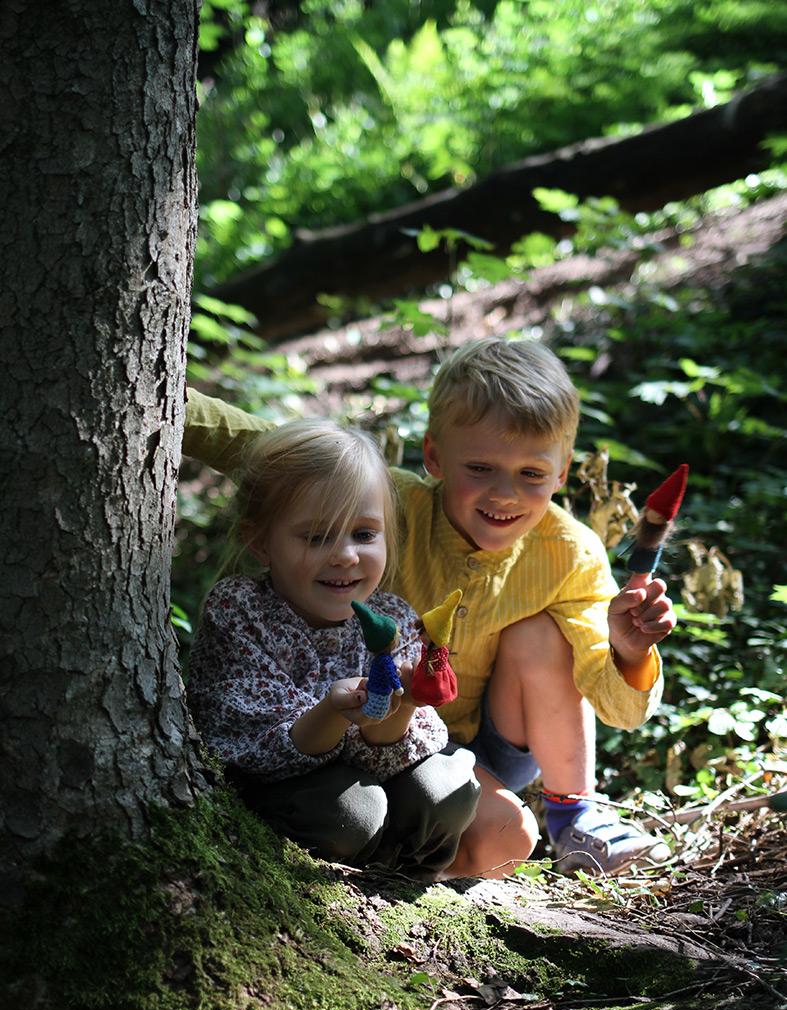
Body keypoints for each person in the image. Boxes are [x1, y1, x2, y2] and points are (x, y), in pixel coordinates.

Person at [182, 337, 676, 878]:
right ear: (435, 457)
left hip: (489, 737)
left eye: (531, 474)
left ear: (561, 475)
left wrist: (628, 653)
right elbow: (269, 452)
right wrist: (160, 398)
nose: (505, 493)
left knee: (536, 648)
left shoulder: (571, 553)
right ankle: (383, 859)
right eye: (481, 468)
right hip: (384, 728)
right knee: (497, 837)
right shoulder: (386, 502)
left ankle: (576, 811)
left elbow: (619, 708)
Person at [187, 418, 480, 880]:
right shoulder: (240, 611)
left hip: (373, 777)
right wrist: (333, 711)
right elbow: (258, 752)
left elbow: (387, 757)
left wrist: (402, 705)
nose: (345, 556)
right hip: (285, 783)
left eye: (364, 535)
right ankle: (330, 880)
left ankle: (405, 879)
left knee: (445, 788)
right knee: (351, 809)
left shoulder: (393, 618)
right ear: (260, 542)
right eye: (318, 537)